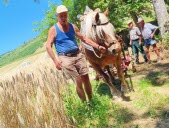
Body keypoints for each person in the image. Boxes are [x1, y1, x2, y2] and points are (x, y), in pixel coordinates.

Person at [46, 5, 106, 102]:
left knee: (86, 78)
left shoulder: (73, 26)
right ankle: (84, 102)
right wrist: (55, 61)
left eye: (65, 15)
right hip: (65, 57)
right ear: (57, 16)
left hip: (78, 54)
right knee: (78, 80)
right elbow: (48, 45)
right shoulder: (53, 29)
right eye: (61, 16)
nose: (63, 18)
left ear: (67, 15)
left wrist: (98, 46)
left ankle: (91, 102)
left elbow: (84, 38)